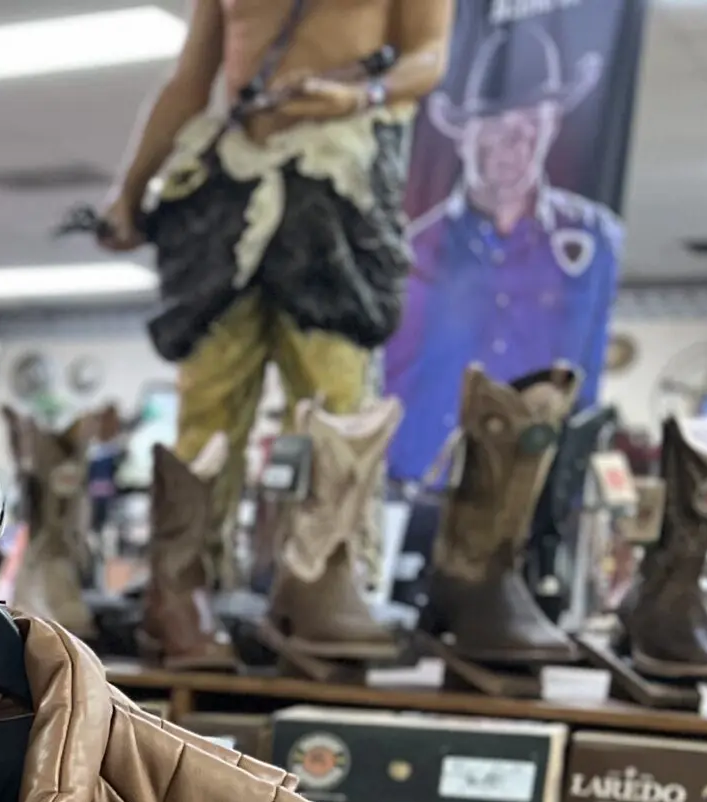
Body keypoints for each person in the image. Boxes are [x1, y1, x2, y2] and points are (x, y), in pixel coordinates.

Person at [98, 0, 452, 551]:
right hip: (232, 185)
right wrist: (128, 190)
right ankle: (186, 581)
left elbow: (428, 55)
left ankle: (326, 581)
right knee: (206, 405)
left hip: (337, 176)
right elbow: (191, 80)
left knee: (332, 407)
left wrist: (363, 95)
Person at [381, 19, 623, 482]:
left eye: (532, 122)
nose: (515, 142)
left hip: (527, 498)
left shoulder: (596, 244)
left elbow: (585, 388)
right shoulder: (407, 253)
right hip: (416, 495)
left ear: (552, 126)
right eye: (496, 124)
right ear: (464, 132)